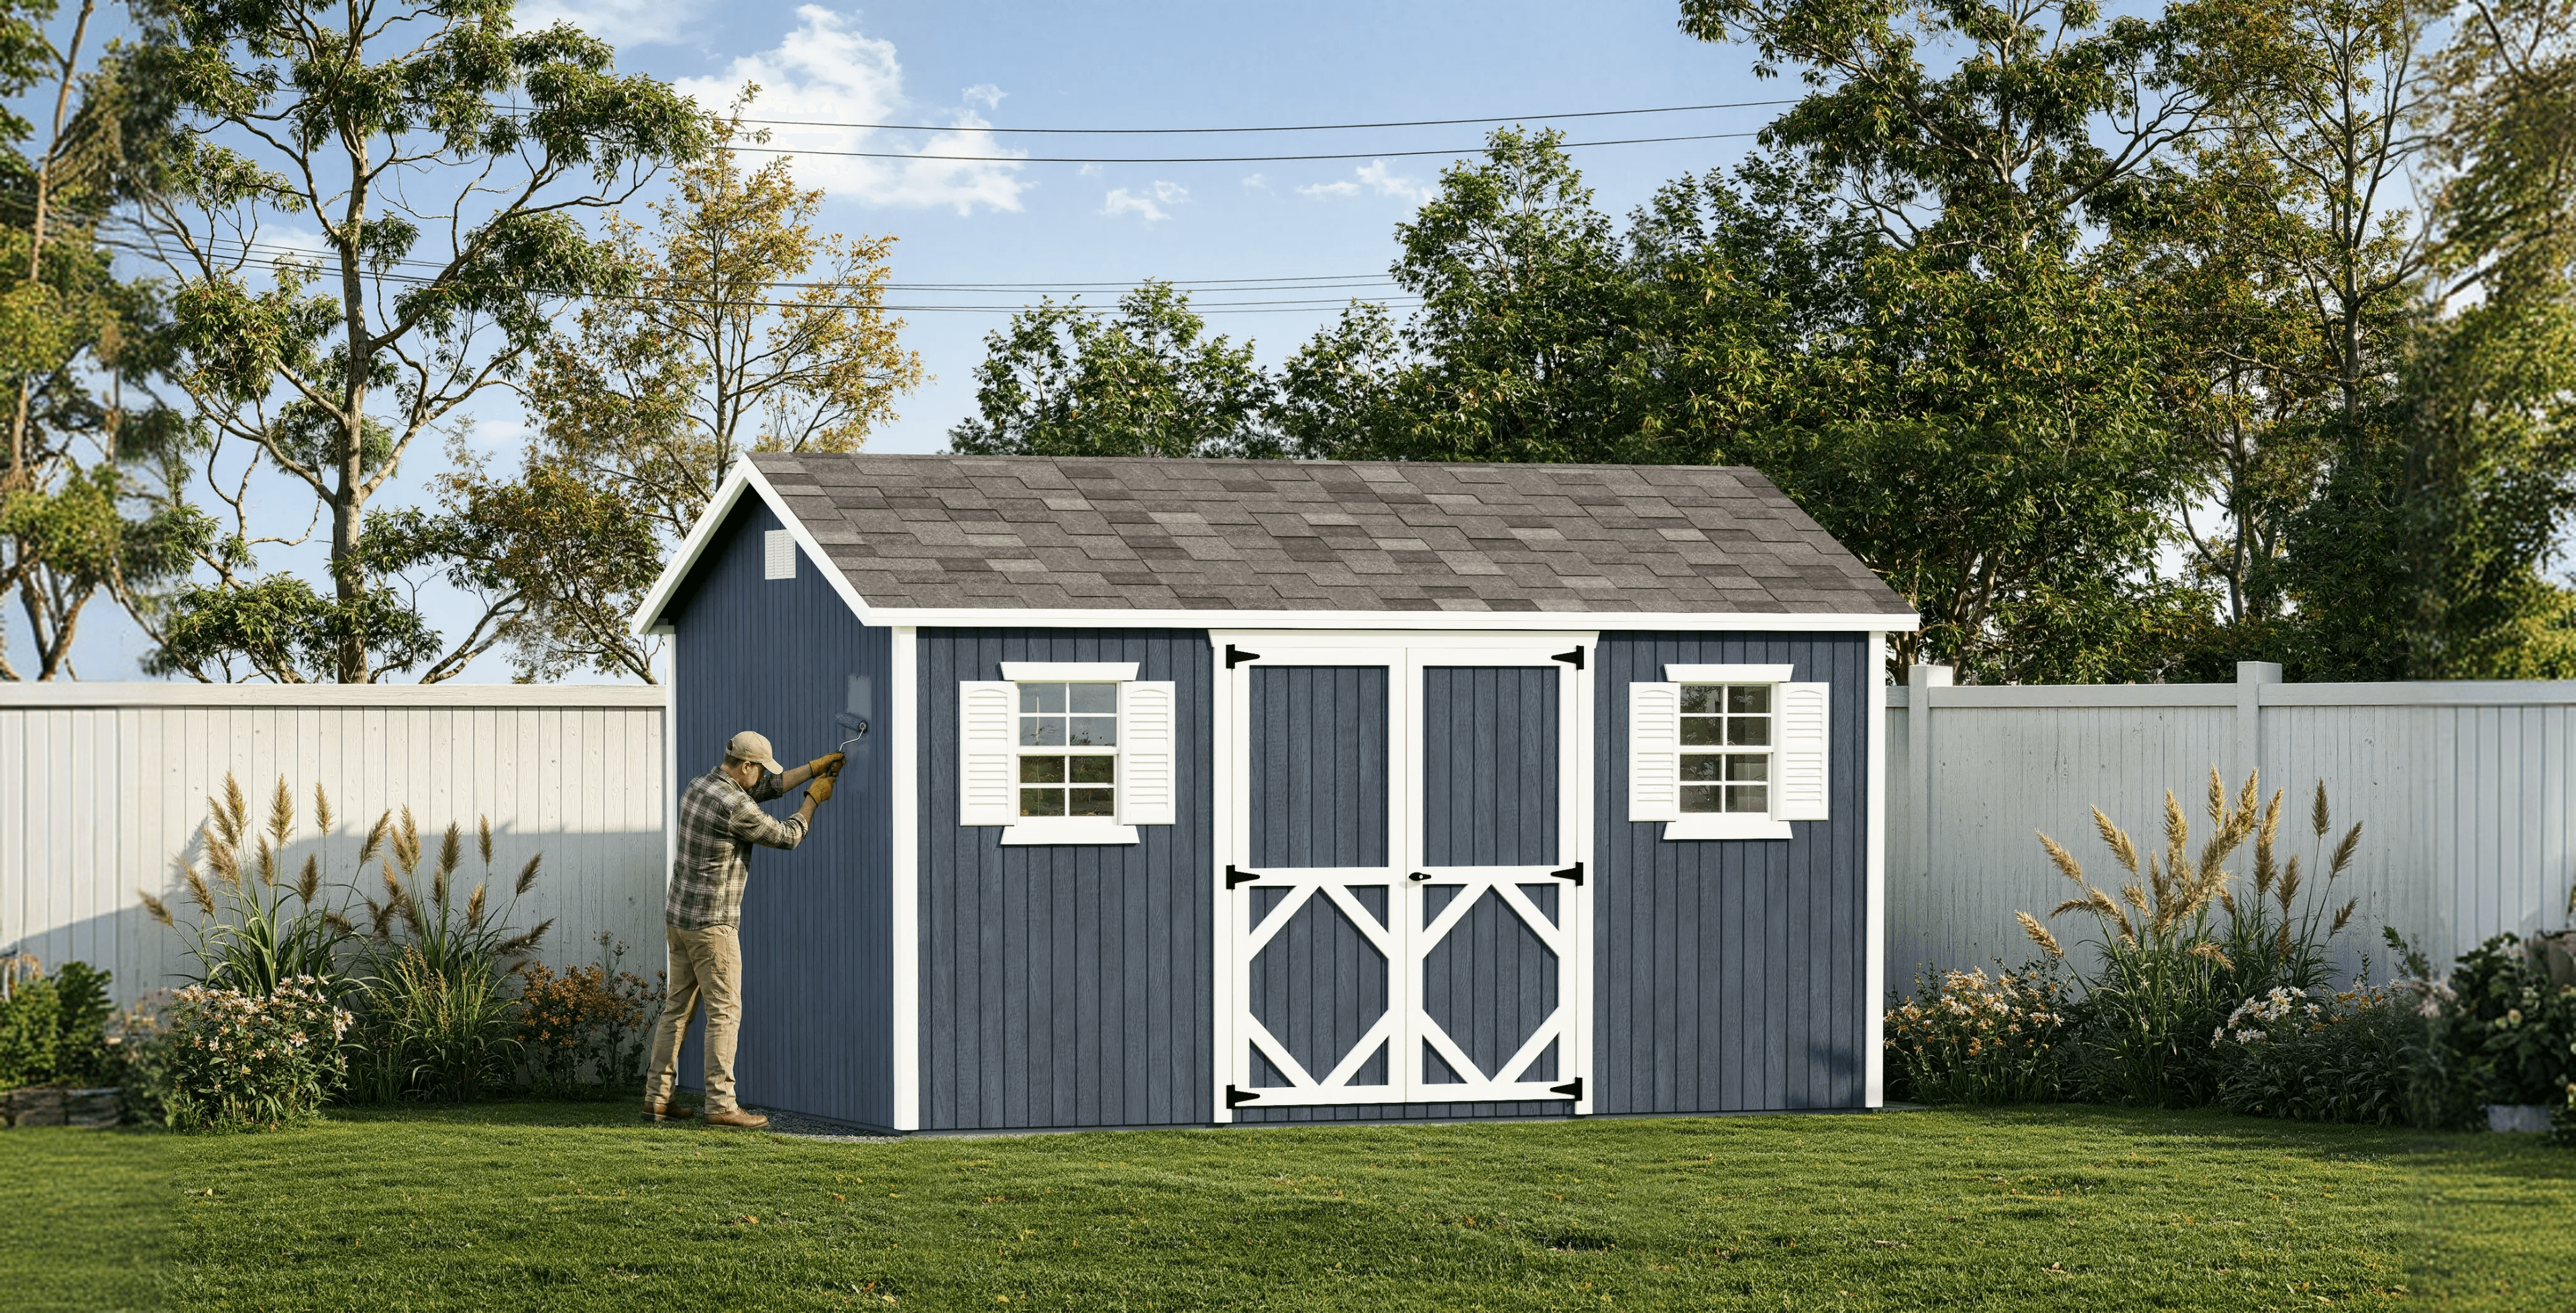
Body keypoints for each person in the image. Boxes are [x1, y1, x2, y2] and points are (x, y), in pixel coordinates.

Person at [643, 729, 843, 1128]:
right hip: (713, 927)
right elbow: (787, 836)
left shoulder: (701, 785)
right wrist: (812, 800)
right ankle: (721, 1106)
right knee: (724, 1012)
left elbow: (763, 789)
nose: (763, 777)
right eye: (760, 769)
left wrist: (813, 769)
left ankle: (657, 1100)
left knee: (676, 1011)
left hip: (679, 919)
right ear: (746, 766)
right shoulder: (734, 806)